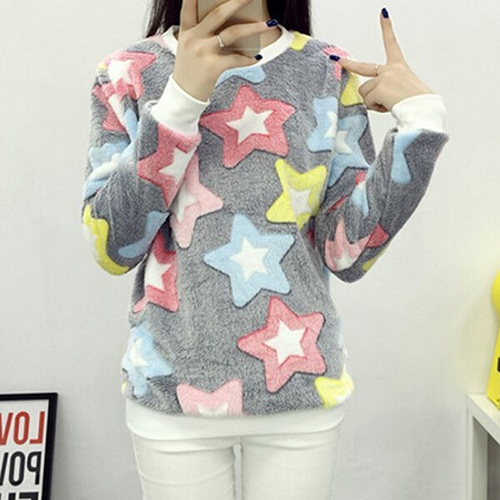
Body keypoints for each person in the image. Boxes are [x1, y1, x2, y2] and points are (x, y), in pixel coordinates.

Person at [80, 0, 449, 497]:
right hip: (172, 391)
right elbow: (113, 247)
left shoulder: (326, 71)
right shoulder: (127, 72)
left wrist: (420, 124)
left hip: (298, 390)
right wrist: (180, 101)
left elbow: (347, 252)